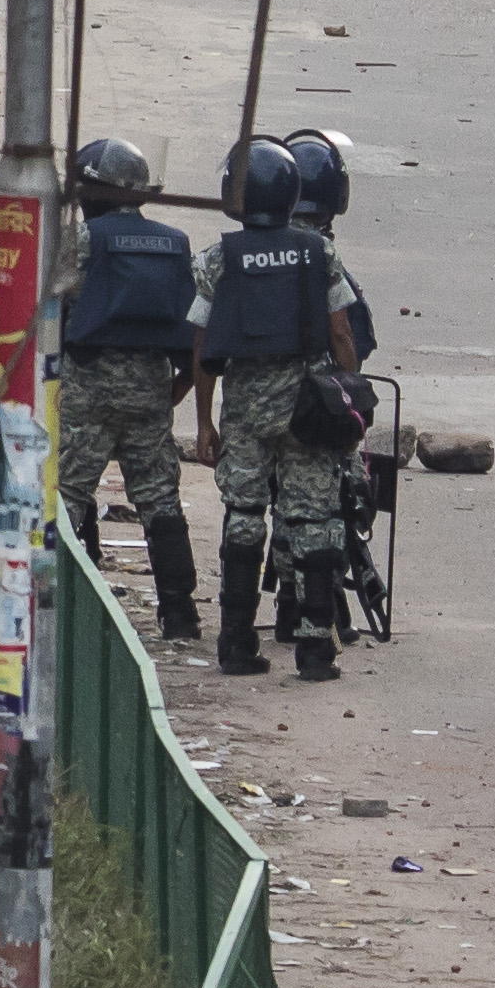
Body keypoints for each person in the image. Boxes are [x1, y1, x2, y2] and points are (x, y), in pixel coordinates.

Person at [196, 139, 362, 680]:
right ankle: (316, 647)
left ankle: (237, 643)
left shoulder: (219, 257)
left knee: (244, 517)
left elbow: (200, 345)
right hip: (307, 404)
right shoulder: (320, 252)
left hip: (245, 406)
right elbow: (341, 330)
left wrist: (203, 421)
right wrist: (348, 399)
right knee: (313, 518)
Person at [50, 136, 209, 645]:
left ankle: (70, 603)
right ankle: (181, 614)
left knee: (70, 494)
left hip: (86, 384)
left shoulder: (81, 240)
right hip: (151, 384)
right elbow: (190, 324)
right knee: (160, 497)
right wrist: (179, 388)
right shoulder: (174, 242)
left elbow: (48, 305)